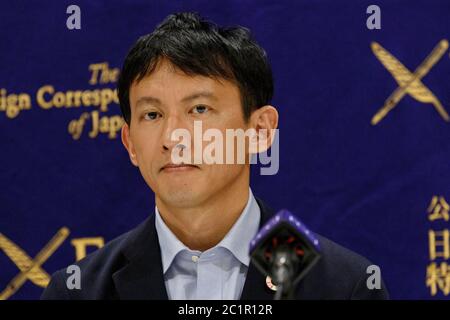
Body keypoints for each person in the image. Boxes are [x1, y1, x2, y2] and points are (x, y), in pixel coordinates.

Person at [41, 12, 388, 300]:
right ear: (130, 143)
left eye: (199, 109)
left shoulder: (345, 286)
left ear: (260, 130)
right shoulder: (77, 292)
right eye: (152, 115)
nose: (172, 137)